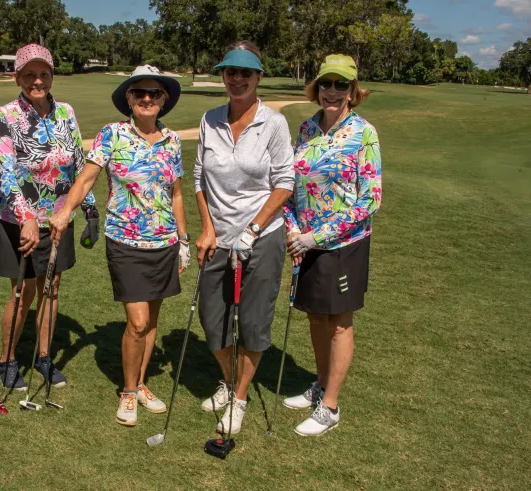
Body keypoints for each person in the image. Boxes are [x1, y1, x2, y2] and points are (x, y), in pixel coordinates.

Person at [49, 65, 188, 427]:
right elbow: (87, 178)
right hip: (125, 240)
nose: (146, 98)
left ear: (163, 100)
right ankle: (127, 390)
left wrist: (183, 239)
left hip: (164, 242)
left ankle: (141, 384)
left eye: (154, 93)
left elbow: (175, 194)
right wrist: (65, 211)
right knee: (137, 321)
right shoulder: (112, 134)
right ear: (128, 98)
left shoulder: (172, 141)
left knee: (153, 319)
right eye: (139, 92)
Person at [193, 41, 295, 436]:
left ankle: (239, 396)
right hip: (217, 235)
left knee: (252, 321)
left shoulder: (273, 124)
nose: (237, 79)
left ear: (258, 78)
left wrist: (253, 230)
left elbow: (285, 182)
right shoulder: (210, 119)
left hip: (263, 235)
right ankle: (229, 379)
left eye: (245, 73)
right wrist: (206, 228)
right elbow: (200, 176)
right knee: (212, 316)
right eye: (230, 72)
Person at [283, 54, 382, 436]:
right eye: (327, 83)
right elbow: (291, 186)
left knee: (339, 323)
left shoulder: (363, 133)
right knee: (315, 315)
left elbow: (370, 199)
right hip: (304, 243)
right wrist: (294, 230)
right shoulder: (307, 129)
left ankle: (330, 406)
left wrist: (316, 236)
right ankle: (320, 385)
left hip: (344, 244)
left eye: (342, 85)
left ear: (353, 91)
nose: (333, 91)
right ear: (316, 87)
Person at [0, 43, 99, 393]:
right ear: (17, 77)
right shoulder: (5, 115)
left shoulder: (65, 112)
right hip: (18, 220)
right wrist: (25, 217)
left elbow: (79, 164)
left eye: (43, 74)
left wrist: (90, 209)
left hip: (57, 219)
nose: (37, 81)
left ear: (52, 75)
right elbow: (5, 172)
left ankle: (42, 357)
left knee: (51, 290)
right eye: (29, 74)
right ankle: (6, 361)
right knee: (22, 293)